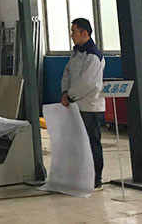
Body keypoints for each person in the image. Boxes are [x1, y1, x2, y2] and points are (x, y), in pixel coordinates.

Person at [61, 17, 106, 190]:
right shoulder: (76, 53)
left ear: (84, 33)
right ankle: (81, 176)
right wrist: (65, 92)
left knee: (92, 143)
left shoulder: (93, 56)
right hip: (75, 105)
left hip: (89, 107)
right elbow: (67, 73)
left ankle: (95, 179)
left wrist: (70, 96)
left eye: (74, 31)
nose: (71, 35)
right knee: (78, 143)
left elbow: (87, 82)